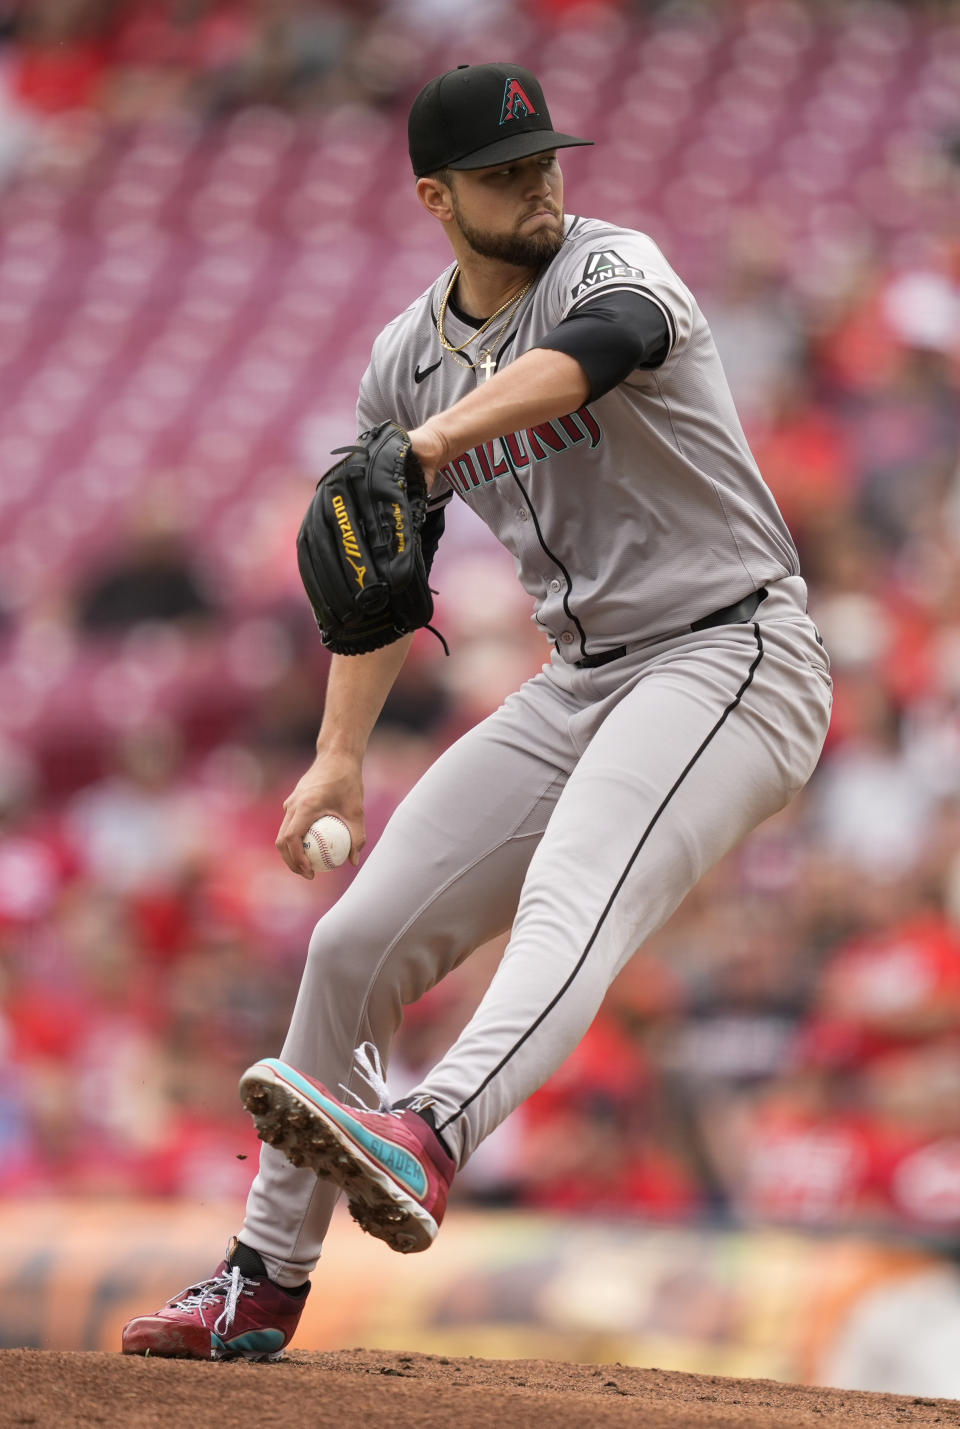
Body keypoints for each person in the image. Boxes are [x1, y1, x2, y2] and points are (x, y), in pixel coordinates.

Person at [122, 60, 833, 1361]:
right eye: (506, 172)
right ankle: (260, 1278)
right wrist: (337, 760)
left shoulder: (615, 265)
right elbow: (379, 581)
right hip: (582, 676)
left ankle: (432, 1130)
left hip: (735, 653)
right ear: (435, 198)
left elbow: (590, 360)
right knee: (355, 942)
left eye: (546, 159)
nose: (539, 182)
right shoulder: (407, 360)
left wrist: (434, 447)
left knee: (574, 894)